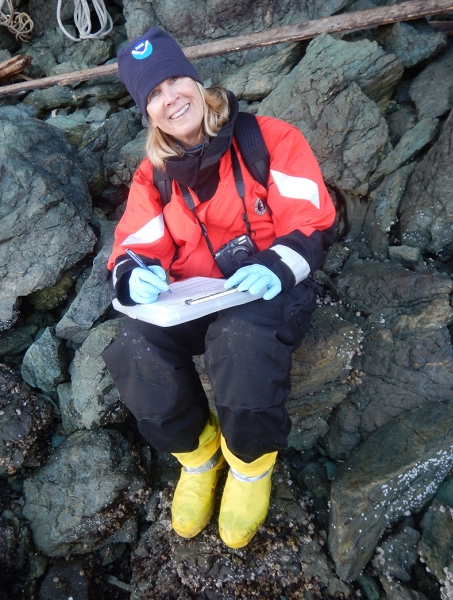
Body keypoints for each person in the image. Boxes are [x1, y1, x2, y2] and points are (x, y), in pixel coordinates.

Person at [103, 27, 336, 549]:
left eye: (174, 80)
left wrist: (277, 265)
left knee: (240, 340)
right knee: (133, 345)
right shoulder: (153, 174)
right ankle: (199, 457)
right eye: (154, 94)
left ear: (195, 79)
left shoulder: (268, 139)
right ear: (148, 111)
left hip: (271, 291)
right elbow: (133, 244)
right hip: (195, 298)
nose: (170, 98)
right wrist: (133, 272)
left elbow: (314, 221)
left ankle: (250, 466)